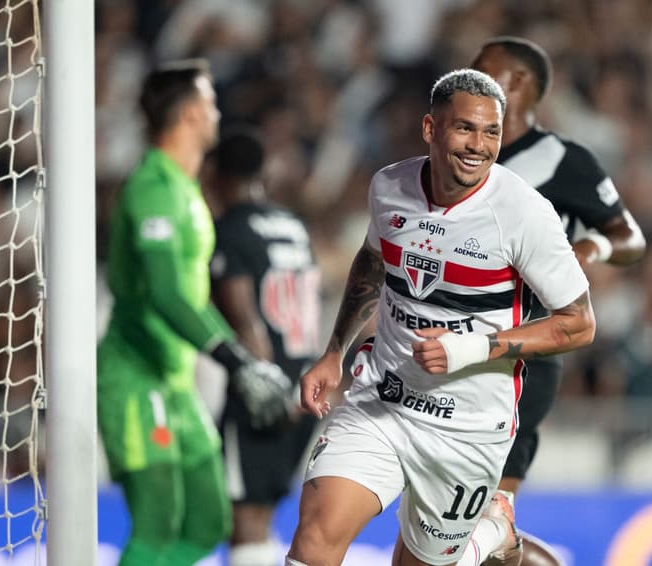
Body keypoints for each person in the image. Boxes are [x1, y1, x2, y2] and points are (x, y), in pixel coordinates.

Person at [284, 68, 597, 566]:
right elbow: (372, 262)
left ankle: (494, 531)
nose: (479, 145)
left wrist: (471, 348)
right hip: (383, 398)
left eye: (491, 132)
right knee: (314, 539)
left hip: (467, 426)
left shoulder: (523, 213)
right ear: (431, 128)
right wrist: (334, 352)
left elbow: (579, 323)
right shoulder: (389, 187)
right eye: (465, 128)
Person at [96, 59, 293, 566]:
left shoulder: (186, 191)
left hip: (177, 382)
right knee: (157, 524)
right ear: (188, 114)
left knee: (209, 520)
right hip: (136, 377)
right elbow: (165, 294)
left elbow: (191, 294)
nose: (217, 113)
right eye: (211, 102)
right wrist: (239, 361)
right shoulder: (152, 188)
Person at [470, 36, 647, 566]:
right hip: (460, 351)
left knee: (489, 525)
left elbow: (630, 235)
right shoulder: (464, 154)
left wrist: (591, 245)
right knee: (459, 530)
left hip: (525, 354)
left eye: (483, 69)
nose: (470, 75)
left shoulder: (562, 160)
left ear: (517, 83)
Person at [204, 128, 321, 566]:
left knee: (245, 521)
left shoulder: (231, 229)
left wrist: (264, 379)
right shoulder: (292, 225)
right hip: (303, 386)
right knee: (263, 519)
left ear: (215, 175)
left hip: (263, 392)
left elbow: (244, 315)